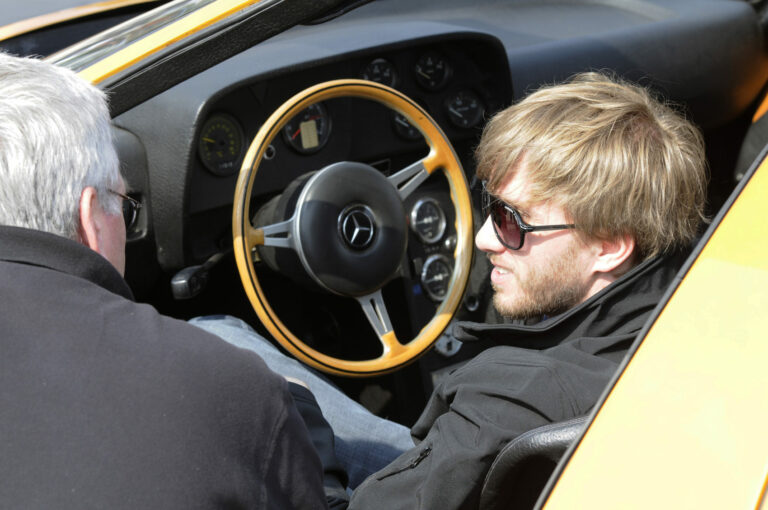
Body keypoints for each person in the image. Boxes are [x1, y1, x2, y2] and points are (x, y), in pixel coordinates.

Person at [192, 72, 708, 509]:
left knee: (215, 339)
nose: (483, 238)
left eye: (513, 221)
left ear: (610, 246)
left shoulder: (507, 405)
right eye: (489, 205)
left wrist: (291, 427)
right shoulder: (707, 306)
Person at [0, 53, 331, 509]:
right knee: (222, 330)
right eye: (124, 201)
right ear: (90, 217)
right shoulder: (236, 391)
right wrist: (307, 441)